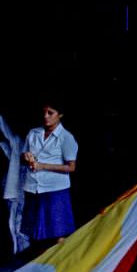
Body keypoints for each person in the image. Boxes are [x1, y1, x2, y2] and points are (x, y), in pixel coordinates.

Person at [21, 102, 78, 252]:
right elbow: (23, 155)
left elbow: (71, 167)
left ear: (60, 115)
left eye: (50, 113)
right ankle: (39, 268)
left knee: (58, 233)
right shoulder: (33, 133)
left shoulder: (66, 137)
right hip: (33, 188)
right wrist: (26, 156)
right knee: (34, 232)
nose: (45, 116)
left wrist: (42, 166)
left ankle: (61, 268)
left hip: (55, 190)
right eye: (44, 112)